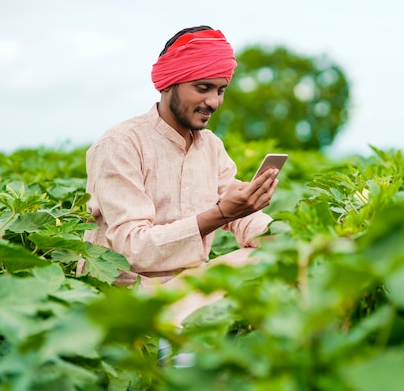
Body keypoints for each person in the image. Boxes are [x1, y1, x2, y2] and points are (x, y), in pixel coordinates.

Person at [80, 25, 279, 325]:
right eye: (202, 88)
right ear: (169, 83)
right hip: (128, 300)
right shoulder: (120, 145)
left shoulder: (210, 146)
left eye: (220, 90)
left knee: (270, 259)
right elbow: (132, 250)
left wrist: (286, 241)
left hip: (188, 289)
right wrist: (221, 214)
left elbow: (240, 210)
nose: (214, 102)